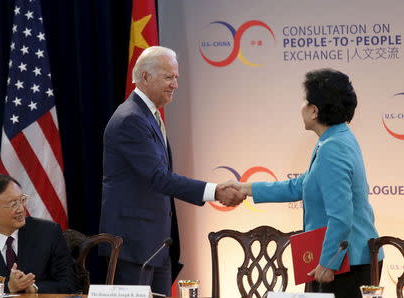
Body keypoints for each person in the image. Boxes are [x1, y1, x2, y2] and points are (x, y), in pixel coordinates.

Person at [224, 69, 383, 298]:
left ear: (315, 110)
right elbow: (300, 186)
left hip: (347, 264)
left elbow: (341, 215)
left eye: (305, 101)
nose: (301, 107)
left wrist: (329, 261)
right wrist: (245, 188)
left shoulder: (332, 148)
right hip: (345, 259)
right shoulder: (336, 139)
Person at [99, 46, 245, 295]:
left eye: (176, 77)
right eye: (168, 77)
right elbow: (158, 177)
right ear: (145, 77)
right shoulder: (130, 119)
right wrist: (214, 191)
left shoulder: (148, 115)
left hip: (155, 243)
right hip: (133, 243)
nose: (175, 84)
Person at [0, 174, 77, 294]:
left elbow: (69, 284)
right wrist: (9, 288)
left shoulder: (48, 233)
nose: (21, 209)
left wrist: (33, 288)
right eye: (13, 204)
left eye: (22, 200)